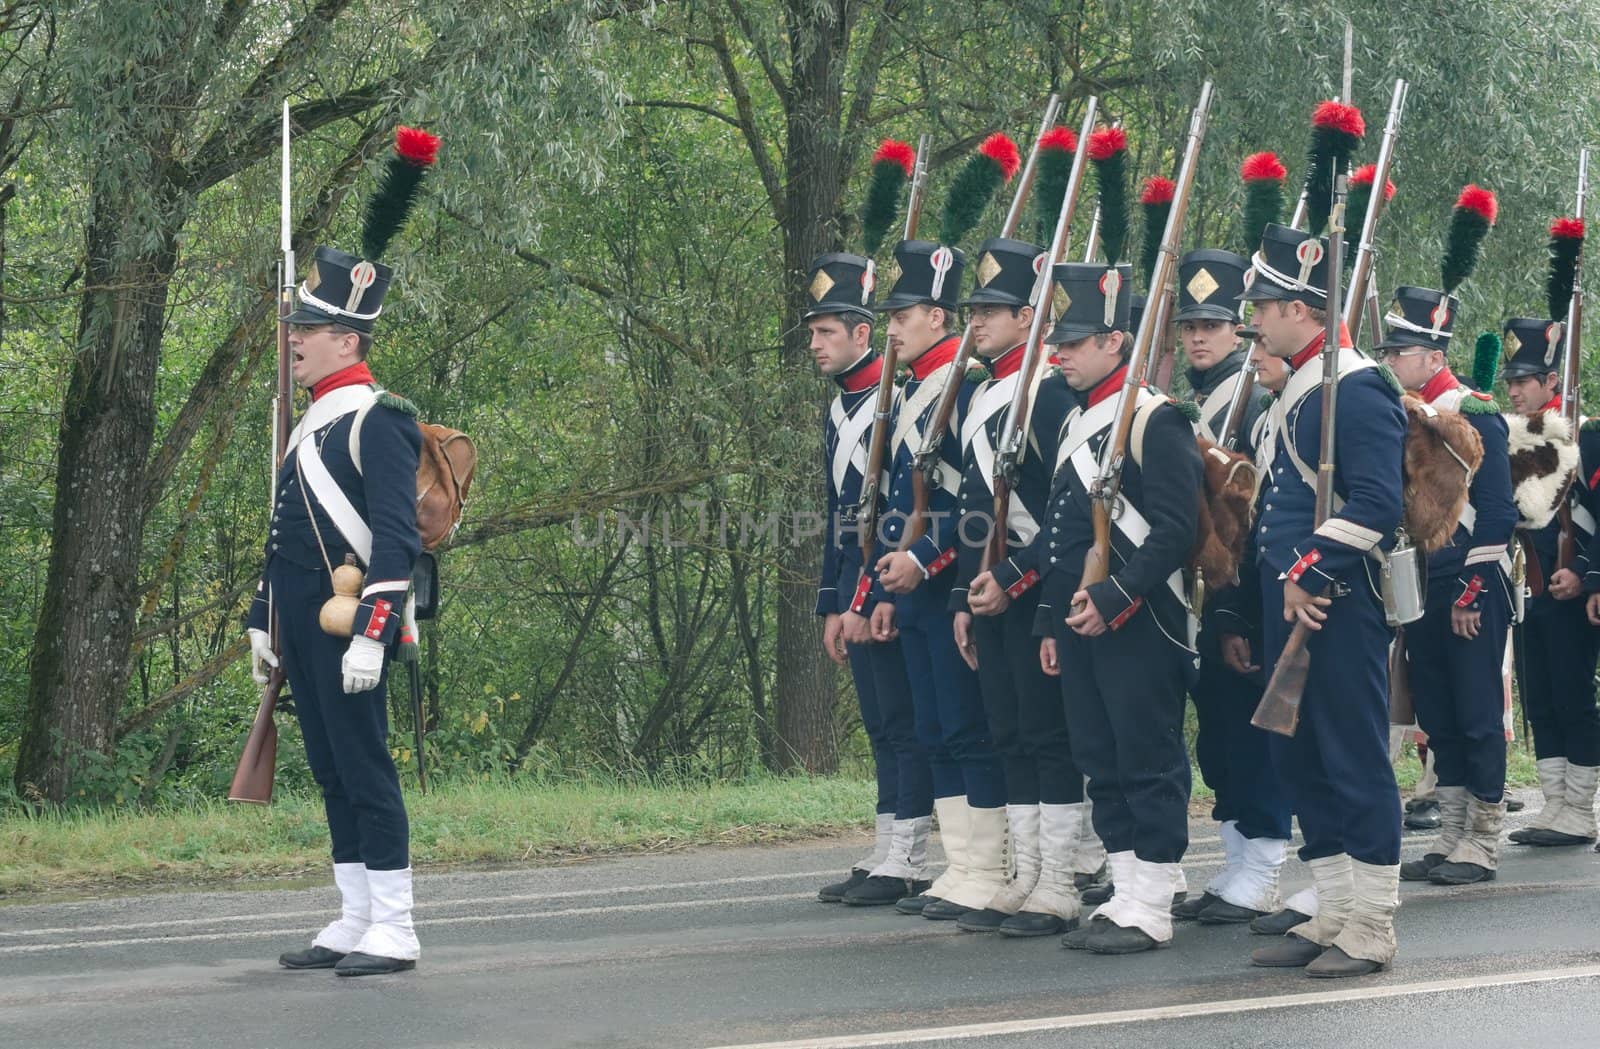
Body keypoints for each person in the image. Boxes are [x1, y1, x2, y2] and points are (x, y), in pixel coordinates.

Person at [246, 246, 424, 977]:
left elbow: (396, 539)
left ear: (347, 340)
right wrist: (265, 614)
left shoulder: (378, 420)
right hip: (304, 628)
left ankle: (396, 924)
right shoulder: (307, 421)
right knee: (329, 769)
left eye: (310, 327)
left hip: (353, 628)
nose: (294, 336)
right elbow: (284, 530)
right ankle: (355, 914)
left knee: (365, 767)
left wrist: (373, 636)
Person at [1241, 223, 1408, 978]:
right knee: (1304, 757)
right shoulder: (1304, 385)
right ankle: (1333, 909)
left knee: (1353, 757)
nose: (1255, 316)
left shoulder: (1358, 387)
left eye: (1265, 303)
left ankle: (1371, 923)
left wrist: (1308, 563)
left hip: (1339, 600)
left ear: (1301, 308)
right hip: (1299, 601)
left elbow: (1380, 501)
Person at [1034, 261, 1204, 955]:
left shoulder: (1154, 419)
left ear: (1116, 340)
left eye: (1074, 341)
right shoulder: (1080, 418)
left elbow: (1175, 529)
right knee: (1100, 756)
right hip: (1083, 618)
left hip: (1141, 618)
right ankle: (1126, 889)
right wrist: (1051, 617)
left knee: (1146, 754)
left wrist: (1117, 594)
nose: (1059, 353)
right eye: (1059, 341)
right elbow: (1062, 533)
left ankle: (1154, 900)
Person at [854, 239, 1010, 917]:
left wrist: (921, 563)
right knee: (938, 726)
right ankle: (964, 864)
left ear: (939, 319)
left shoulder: (964, 389)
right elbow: (899, 505)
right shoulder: (918, 388)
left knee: (968, 726)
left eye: (904, 312)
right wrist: (887, 587)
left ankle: (992, 865)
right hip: (914, 590)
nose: (890, 326)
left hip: (948, 581)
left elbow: (968, 509)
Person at [949, 237, 1099, 936]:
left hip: (1035, 587)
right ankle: (1026, 872)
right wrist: (963, 597)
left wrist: (1015, 578)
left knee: (1047, 736)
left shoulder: (1046, 396)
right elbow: (974, 513)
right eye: (974, 309)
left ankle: (1060, 882)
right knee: (1008, 733)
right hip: (991, 594)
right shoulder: (984, 396)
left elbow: (1068, 516)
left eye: (992, 309)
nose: (976, 321)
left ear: (1029, 314)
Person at [802, 252, 934, 905]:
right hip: (856, 589)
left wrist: (868, 597)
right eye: (814, 331)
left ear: (863, 334)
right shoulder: (838, 409)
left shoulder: (902, 400)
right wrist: (832, 601)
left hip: (890, 586)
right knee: (880, 720)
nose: (815, 343)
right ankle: (887, 842)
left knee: (904, 719)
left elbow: (901, 516)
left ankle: (908, 853)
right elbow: (838, 514)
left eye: (828, 331)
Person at [1377, 288, 1517, 886]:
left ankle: (1482, 845)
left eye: (1402, 351)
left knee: (1478, 714)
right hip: (1424, 585)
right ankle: (1453, 836)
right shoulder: (1398, 412)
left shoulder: (1474, 412)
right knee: (1438, 712)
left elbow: (1498, 515)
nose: (1392, 361)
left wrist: (1472, 594)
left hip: (1471, 588)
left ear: (1434, 357)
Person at [1168, 249, 1290, 925]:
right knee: (1217, 735)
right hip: (1198, 595)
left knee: (1252, 733)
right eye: (1189, 324)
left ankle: (1266, 862)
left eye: (1211, 324)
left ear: (1239, 330)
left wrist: (1237, 605)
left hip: (1242, 591)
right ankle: (1238, 858)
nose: (1197, 336)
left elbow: (1255, 516)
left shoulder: (1258, 402)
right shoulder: (1188, 402)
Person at [1501, 318, 1600, 847]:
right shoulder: (1509, 438)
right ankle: (1554, 806)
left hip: (1570, 591)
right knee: (1539, 698)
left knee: (1572, 696)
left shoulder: (1586, 436)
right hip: (1527, 590)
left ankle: (1580, 810)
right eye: (1511, 382)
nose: (1515, 391)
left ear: (1551, 383)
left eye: (1526, 380)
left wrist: (1589, 576)